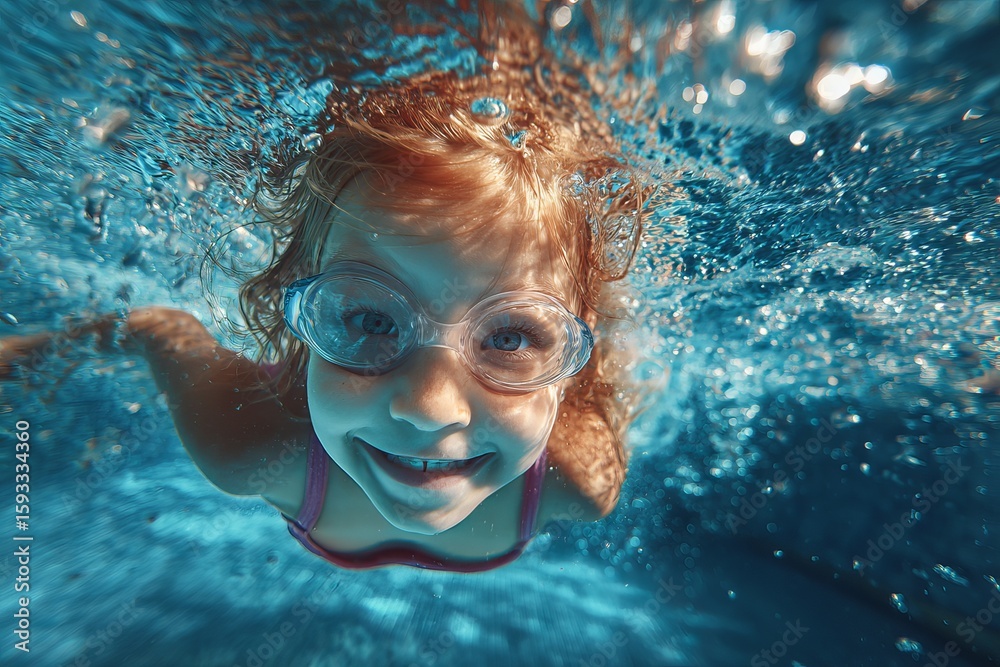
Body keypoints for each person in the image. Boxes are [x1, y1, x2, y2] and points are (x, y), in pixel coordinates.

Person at [0, 18, 648, 572]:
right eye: (369, 317)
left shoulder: (581, 476)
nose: (428, 409)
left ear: (573, 354)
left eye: (510, 336)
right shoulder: (249, 442)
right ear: (299, 301)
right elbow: (162, 328)